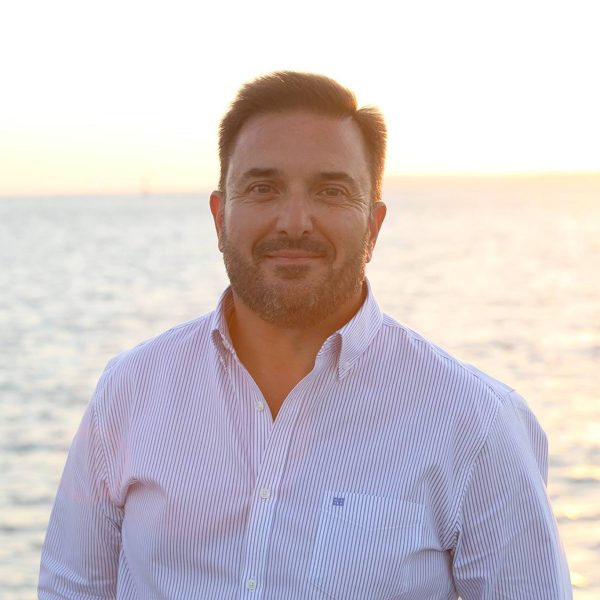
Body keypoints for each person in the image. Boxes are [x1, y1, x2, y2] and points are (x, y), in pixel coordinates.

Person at [39, 71, 571, 599]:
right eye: (263, 189)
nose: (294, 222)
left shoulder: (478, 424)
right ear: (220, 217)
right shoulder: (130, 390)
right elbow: (71, 589)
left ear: (374, 226)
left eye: (330, 191)